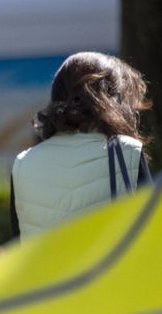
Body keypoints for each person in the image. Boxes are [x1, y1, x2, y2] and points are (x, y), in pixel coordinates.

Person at [12, 52, 153, 238]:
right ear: (114, 100)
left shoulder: (24, 163)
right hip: (110, 267)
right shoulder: (127, 152)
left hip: (52, 268)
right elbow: (153, 234)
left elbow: (18, 243)